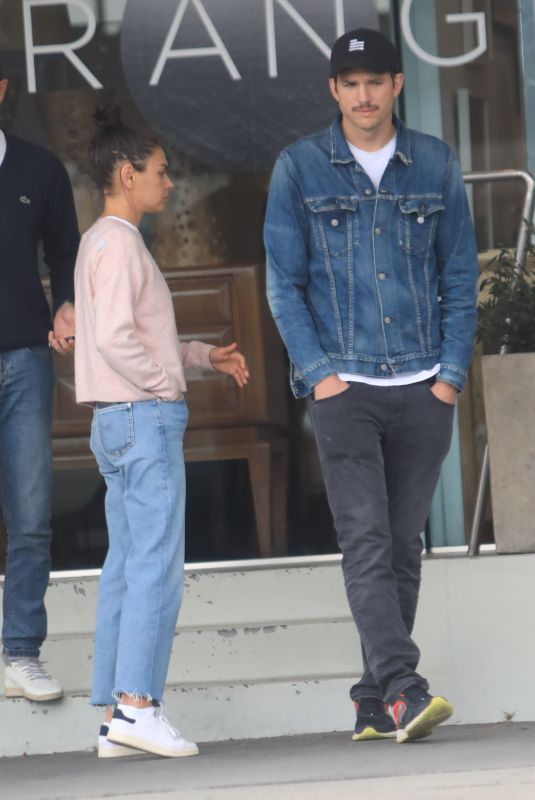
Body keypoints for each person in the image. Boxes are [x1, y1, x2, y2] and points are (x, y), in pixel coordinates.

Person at [264, 28, 478, 744]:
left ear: (395, 85)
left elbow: (457, 277)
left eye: (374, 81)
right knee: (364, 538)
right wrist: (320, 377)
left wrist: (448, 378)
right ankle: (403, 687)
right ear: (333, 90)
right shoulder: (298, 169)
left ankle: (368, 697)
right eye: (348, 83)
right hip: (344, 389)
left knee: (401, 544)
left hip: (423, 386)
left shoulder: (436, 163)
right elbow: (283, 287)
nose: (362, 95)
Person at [74, 106, 249, 759]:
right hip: (141, 421)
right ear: (127, 172)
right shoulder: (120, 244)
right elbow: (123, 341)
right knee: (154, 566)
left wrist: (202, 357)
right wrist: (164, 387)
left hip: (114, 422)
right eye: (160, 170)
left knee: (127, 565)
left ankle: (118, 713)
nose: (169, 182)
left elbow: (131, 337)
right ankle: (139, 708)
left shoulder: (100, 241)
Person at [0, 66, 79, 702]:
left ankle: (21, 651)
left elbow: (66, 251)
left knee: (29, 516)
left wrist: (68, 304)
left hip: (25, 359)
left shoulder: (38, 170)